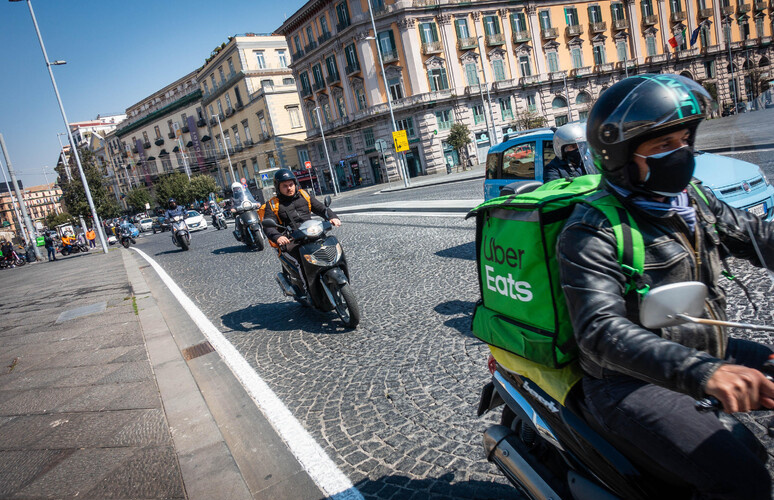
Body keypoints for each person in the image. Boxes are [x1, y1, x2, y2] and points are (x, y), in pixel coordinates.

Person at [556, 74, 774, 499]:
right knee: (745, 481)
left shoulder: (695, 201)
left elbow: (758, 235)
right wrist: (705, 372)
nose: (681, 153)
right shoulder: (592, 230)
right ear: (620, 157)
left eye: (684, 139)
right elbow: (601, 332)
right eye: (662, 145)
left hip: (704, 346)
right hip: (629, 380)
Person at [262, 169, 341, 295]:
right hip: (291, 240)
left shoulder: (304, 195)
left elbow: (320, 208)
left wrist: (332, 217)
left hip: (310, 233)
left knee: (331, 246)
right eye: (285, 186)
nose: (289, 188)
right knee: (300, 262)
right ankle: (307, 291)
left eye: (291, 184)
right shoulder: (272, 204)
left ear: (295, 184)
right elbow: (268, 226)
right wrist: (277, 237)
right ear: (278, 187)